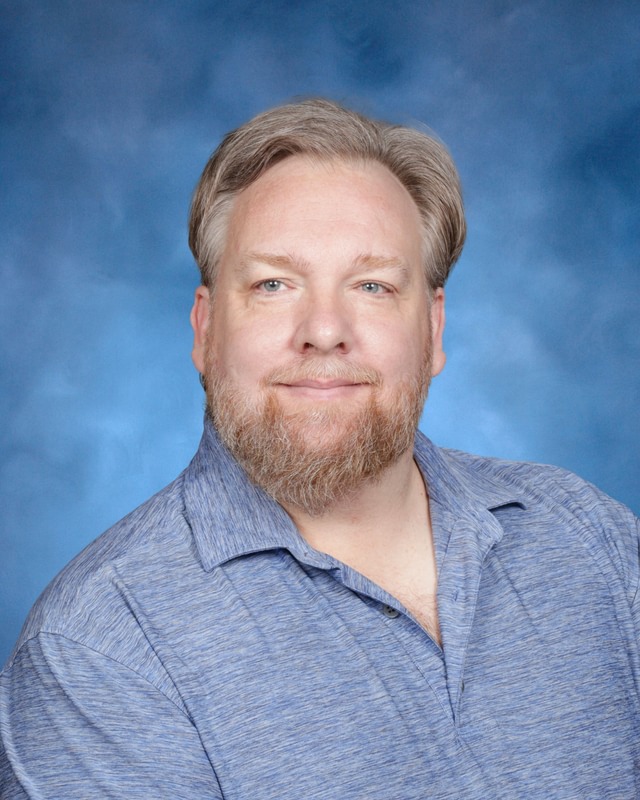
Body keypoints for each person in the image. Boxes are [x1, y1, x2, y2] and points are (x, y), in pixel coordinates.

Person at [1, 99, 639, 799]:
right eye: (274, 284)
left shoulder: (591, 538)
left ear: (432, 330)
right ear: (204, 331)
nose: (325, 330)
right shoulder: (98, 652)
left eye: (372, 285)